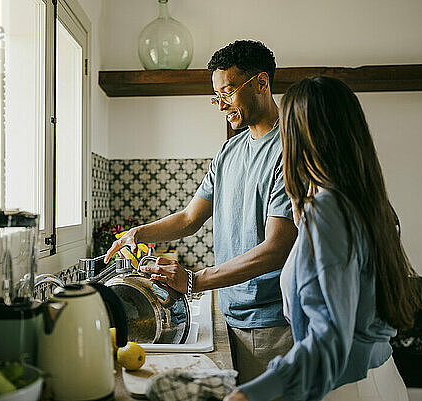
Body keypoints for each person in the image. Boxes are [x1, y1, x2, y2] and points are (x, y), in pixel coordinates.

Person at [104, 40, 298, 383]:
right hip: (230, 314)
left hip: (272, 326)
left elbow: (277, 249)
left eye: (227, 92)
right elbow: (190, 218)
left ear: (261, 83)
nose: (221, 105)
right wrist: (138, 233)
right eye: (216, 96)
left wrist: (196, 280)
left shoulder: (291, 150)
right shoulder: (229, 151)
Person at [224, 76, 422, 401]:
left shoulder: (328, 211)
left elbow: (329, 338)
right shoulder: (362, 202)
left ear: (302, 137)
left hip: (347, 387)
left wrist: (250, 394)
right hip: (379, 377)